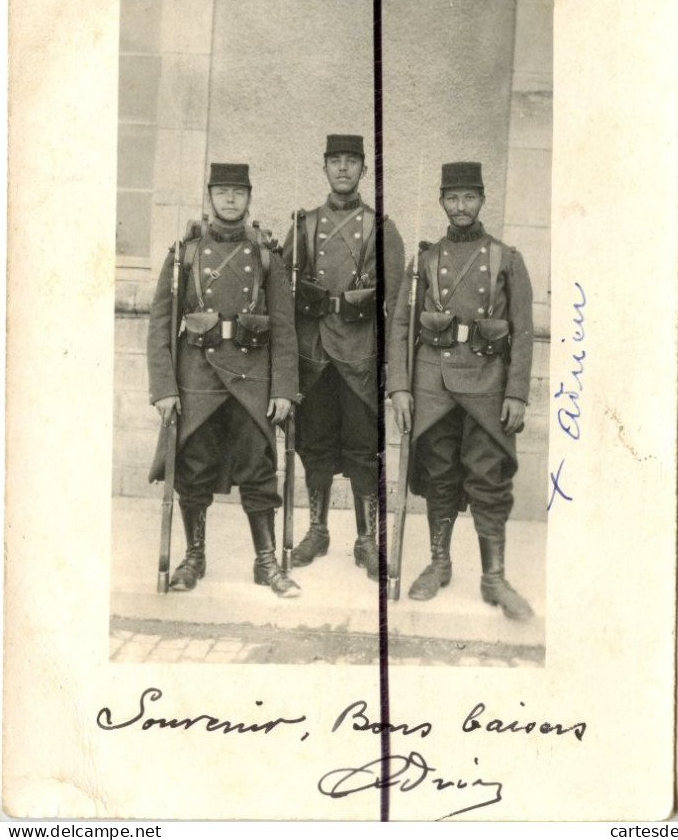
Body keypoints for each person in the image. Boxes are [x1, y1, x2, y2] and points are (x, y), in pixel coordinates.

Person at [388, 161, 535, 620]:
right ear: (441, 203)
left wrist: (517, 393)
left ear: (482, 199)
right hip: (433, 385)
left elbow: (524, 330)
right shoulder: (424, 262)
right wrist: (399, 388)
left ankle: (493, 577)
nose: (461, 207)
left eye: (469, 197)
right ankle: (438, 563)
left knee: (489, 478)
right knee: (440, 476)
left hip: (489, 385)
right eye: (452, 198)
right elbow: (400, 326)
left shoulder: (507, 258)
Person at [147, 162, 300, 598]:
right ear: (209, 197)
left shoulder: (268, 258)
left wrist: (284, 389)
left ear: (249, 198)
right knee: (192, 470)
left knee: (259, 470)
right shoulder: (185, 254)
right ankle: (194, 556)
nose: (230, 199)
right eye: (223, 192)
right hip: (197, 378)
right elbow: (161, 325)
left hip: (252, 381)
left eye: (239, 192)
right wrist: (164, 389)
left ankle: (266, 560)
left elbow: (285, 330)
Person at [283, 134, 405, 580]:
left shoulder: (382, 228)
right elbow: (282, 293)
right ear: (324, 168)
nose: (342, 170)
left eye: (351, 162)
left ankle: (367, 539)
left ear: (363, 171)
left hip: (359, 357)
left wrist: (390, 367)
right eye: (335, 161)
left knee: (362, 450)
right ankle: (317, 530)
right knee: (313, 446)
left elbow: (396, 306)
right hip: (315, 357)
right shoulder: (304, 224)